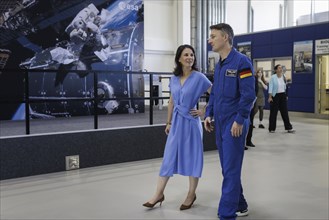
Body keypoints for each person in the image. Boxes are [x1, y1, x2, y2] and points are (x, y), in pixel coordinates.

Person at [143, 44, 212, 210]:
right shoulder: (174, 79)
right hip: (176, 123)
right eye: (186, 54)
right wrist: (168, 122)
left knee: (193, 157)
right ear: (179, 58)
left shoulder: (199, 77)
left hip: (191, 123)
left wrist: (204, 110)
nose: (190, 57)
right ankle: (158, 193)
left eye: (192, 55)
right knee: (168, 157)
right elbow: (172, 101)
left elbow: (215, 93)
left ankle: (191, 194)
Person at [204, 23, 256, 220]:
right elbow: (215, 92)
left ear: (225, 37)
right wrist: (208, 113)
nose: (210, 40)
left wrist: (240, 119)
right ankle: (240, 204)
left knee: (231, 168)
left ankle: (226, 214)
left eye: (213, 36)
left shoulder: (242, 62)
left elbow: (249, 95)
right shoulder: (220, 65)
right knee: (228, 168)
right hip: (221, 122)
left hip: (234, 123)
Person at [268, 64, 295, 133]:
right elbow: (270, 87)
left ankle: (288, 127)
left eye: (281, 68)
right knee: (273, 113)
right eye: (279, 68)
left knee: (285, 112)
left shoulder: (284, 76)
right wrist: (270, 97)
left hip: (282, 95)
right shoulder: (272, 77)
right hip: (275, 96)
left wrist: (286, 95)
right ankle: (272, 128)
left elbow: (285, 86)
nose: (281, 69)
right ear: (276, 70)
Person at [245, 75, 259, 148]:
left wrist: (253, 102)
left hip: (251, 104)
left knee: (250, 122)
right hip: (242, 103)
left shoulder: (254, 77)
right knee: (243, 123)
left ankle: (249, 140)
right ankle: (242, 143)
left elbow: (256, 90)